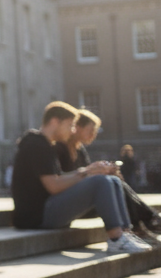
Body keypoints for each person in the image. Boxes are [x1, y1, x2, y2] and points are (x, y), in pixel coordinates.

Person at [10, 101, 149, 253]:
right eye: (70, 125)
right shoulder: (36, 144)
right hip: (37, 216)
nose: (72, 130)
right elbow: (54, 186)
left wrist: (89, 171)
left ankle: (125, 233)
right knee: (100, 182)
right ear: (55, 122)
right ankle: (116, 239)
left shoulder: (46, 144)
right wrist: (87, 172)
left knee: (113, 180)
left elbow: (58, 179)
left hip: (46, 209)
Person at [57, 112, 161, 242]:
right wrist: (95, 173)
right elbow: (71, 179)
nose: (94, 135)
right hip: (73, 203)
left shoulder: (80, 149)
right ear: (77, 128)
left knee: (115, 180)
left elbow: (88, 175)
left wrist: (104, 172)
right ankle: (148, 220)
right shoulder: (60, 148)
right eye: (90, 130)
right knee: (111, 183)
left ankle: (144, 223)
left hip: (85, 197)